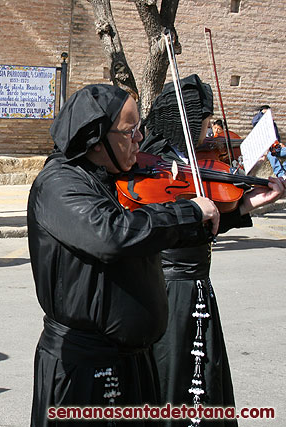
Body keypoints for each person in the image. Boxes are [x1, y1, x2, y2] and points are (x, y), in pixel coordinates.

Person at [28, 84, 224, 427]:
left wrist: (233, 209)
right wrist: (187, 212)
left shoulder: (115, 178)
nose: (139, 139)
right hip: (84, 368)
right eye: (130, 131)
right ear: (96, 137)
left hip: (133, 363)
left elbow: (154, 224)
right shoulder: (59, 183)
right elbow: (113, 234)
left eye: (140, 129)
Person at [140, 75, 285, 426]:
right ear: (183, 121)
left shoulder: (192, 161)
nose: (209, 136)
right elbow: (161, 226)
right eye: (203, 125)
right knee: (172, 375)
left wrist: (246, 205)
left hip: (197, 286)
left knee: (203, 372)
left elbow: (210, 218)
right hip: (168, 289)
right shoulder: (151, 165)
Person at [251, 105, 286, 178]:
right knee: (271, 154)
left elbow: (276, 137)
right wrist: (262, 113)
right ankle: (281, 174)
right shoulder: (261, 123)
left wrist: (279, 143)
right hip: (267, 148)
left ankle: (285, 169)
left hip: (277, 147)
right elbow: (254, 122)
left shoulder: (273, 124)